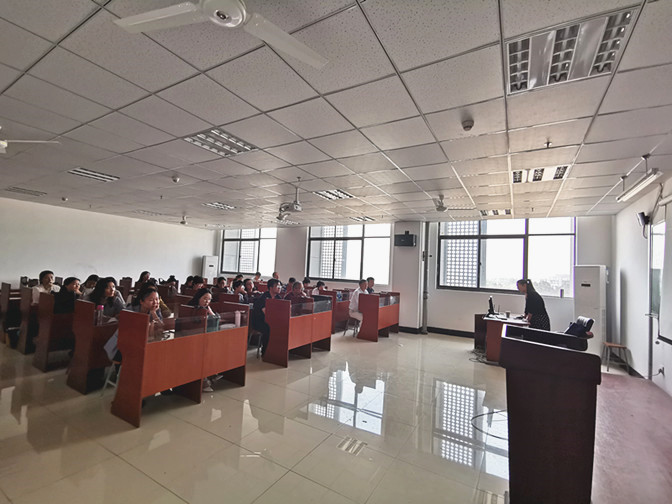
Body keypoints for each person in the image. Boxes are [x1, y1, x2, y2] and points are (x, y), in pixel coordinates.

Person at [104, 287, 164, 363]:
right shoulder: (130, 311)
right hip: (120, 347)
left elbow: (161, 327)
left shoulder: (155, 310)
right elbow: (129, 335)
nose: (155, 302)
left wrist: (154, 313)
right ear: (141, 302)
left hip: (139, 345)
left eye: (157, 299)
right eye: (151, 300)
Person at [251, 278, 282, 357]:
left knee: (281, 327)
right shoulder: (264, 298)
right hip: (259, 322)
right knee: (269, 328)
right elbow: (266, 313)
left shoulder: (278, 298)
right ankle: (265, 351)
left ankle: (277, 350)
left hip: (271, 321)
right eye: (277, 286)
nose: (279, 288)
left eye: (280, 286)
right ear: (271, 288)